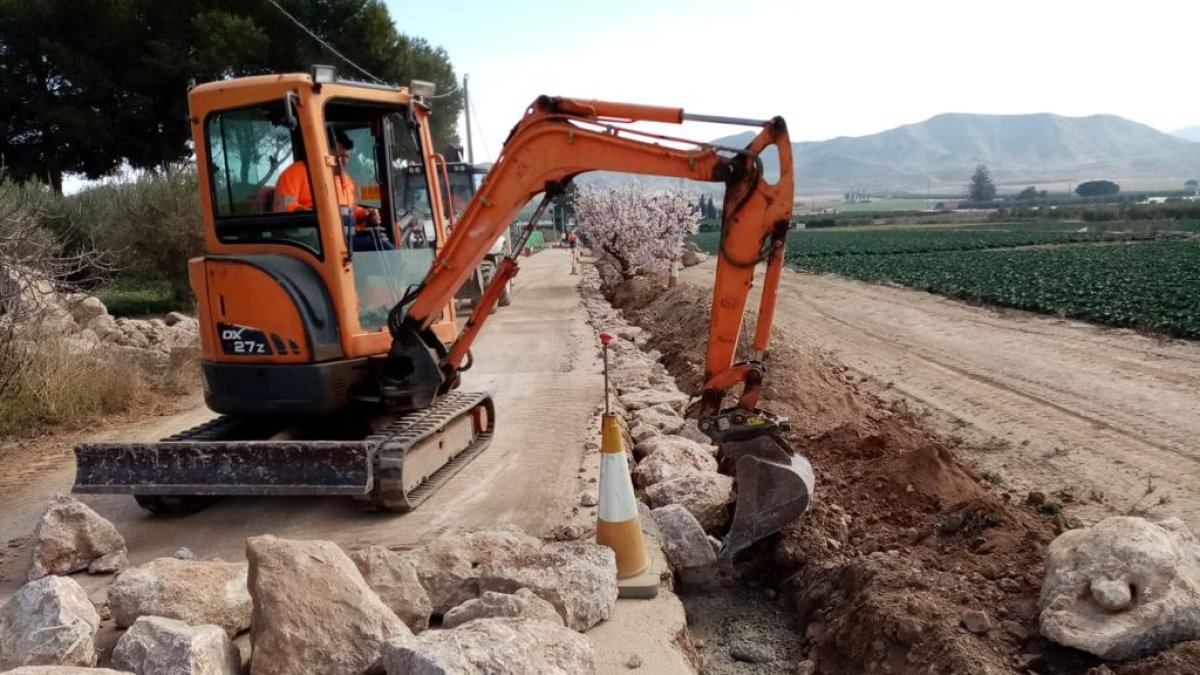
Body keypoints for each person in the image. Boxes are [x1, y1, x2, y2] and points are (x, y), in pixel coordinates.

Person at [273, 129, 392, 252]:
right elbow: (282, 207)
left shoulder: (347, 181)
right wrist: (316, 213)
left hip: (345, 241)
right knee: (381, 248)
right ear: (325, 152)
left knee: (381, 243)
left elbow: (351, 211)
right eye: (340, 157)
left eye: (347, 157)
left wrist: (365, 215)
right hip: (313, 244)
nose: (344, 162)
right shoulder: (296, 173)